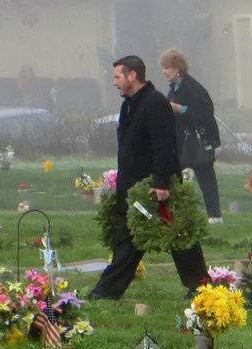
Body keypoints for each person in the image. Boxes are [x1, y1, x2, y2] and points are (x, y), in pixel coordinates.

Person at [89, 55, 208, 300]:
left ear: (132, 75)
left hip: (151, 190)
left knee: (177, 235)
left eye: (117, 77)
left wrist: (161, 183)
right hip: (134, 189)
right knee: (131, 240)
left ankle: (202, 286)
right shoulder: (130, 104)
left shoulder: (154, 103)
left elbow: (164, 146)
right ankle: (105, 293)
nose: (114, 82)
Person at [160, 48, 222, 223]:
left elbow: (203, 114)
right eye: (163, 68)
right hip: (180, 143)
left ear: (178, 68)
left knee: (206, 177)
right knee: (172, 177)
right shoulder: (173, 88)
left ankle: (214, 216)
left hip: (198, 142)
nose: (164, 72)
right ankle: (172, 214)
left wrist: (179, 109)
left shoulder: (194, 88)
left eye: (167, 68)